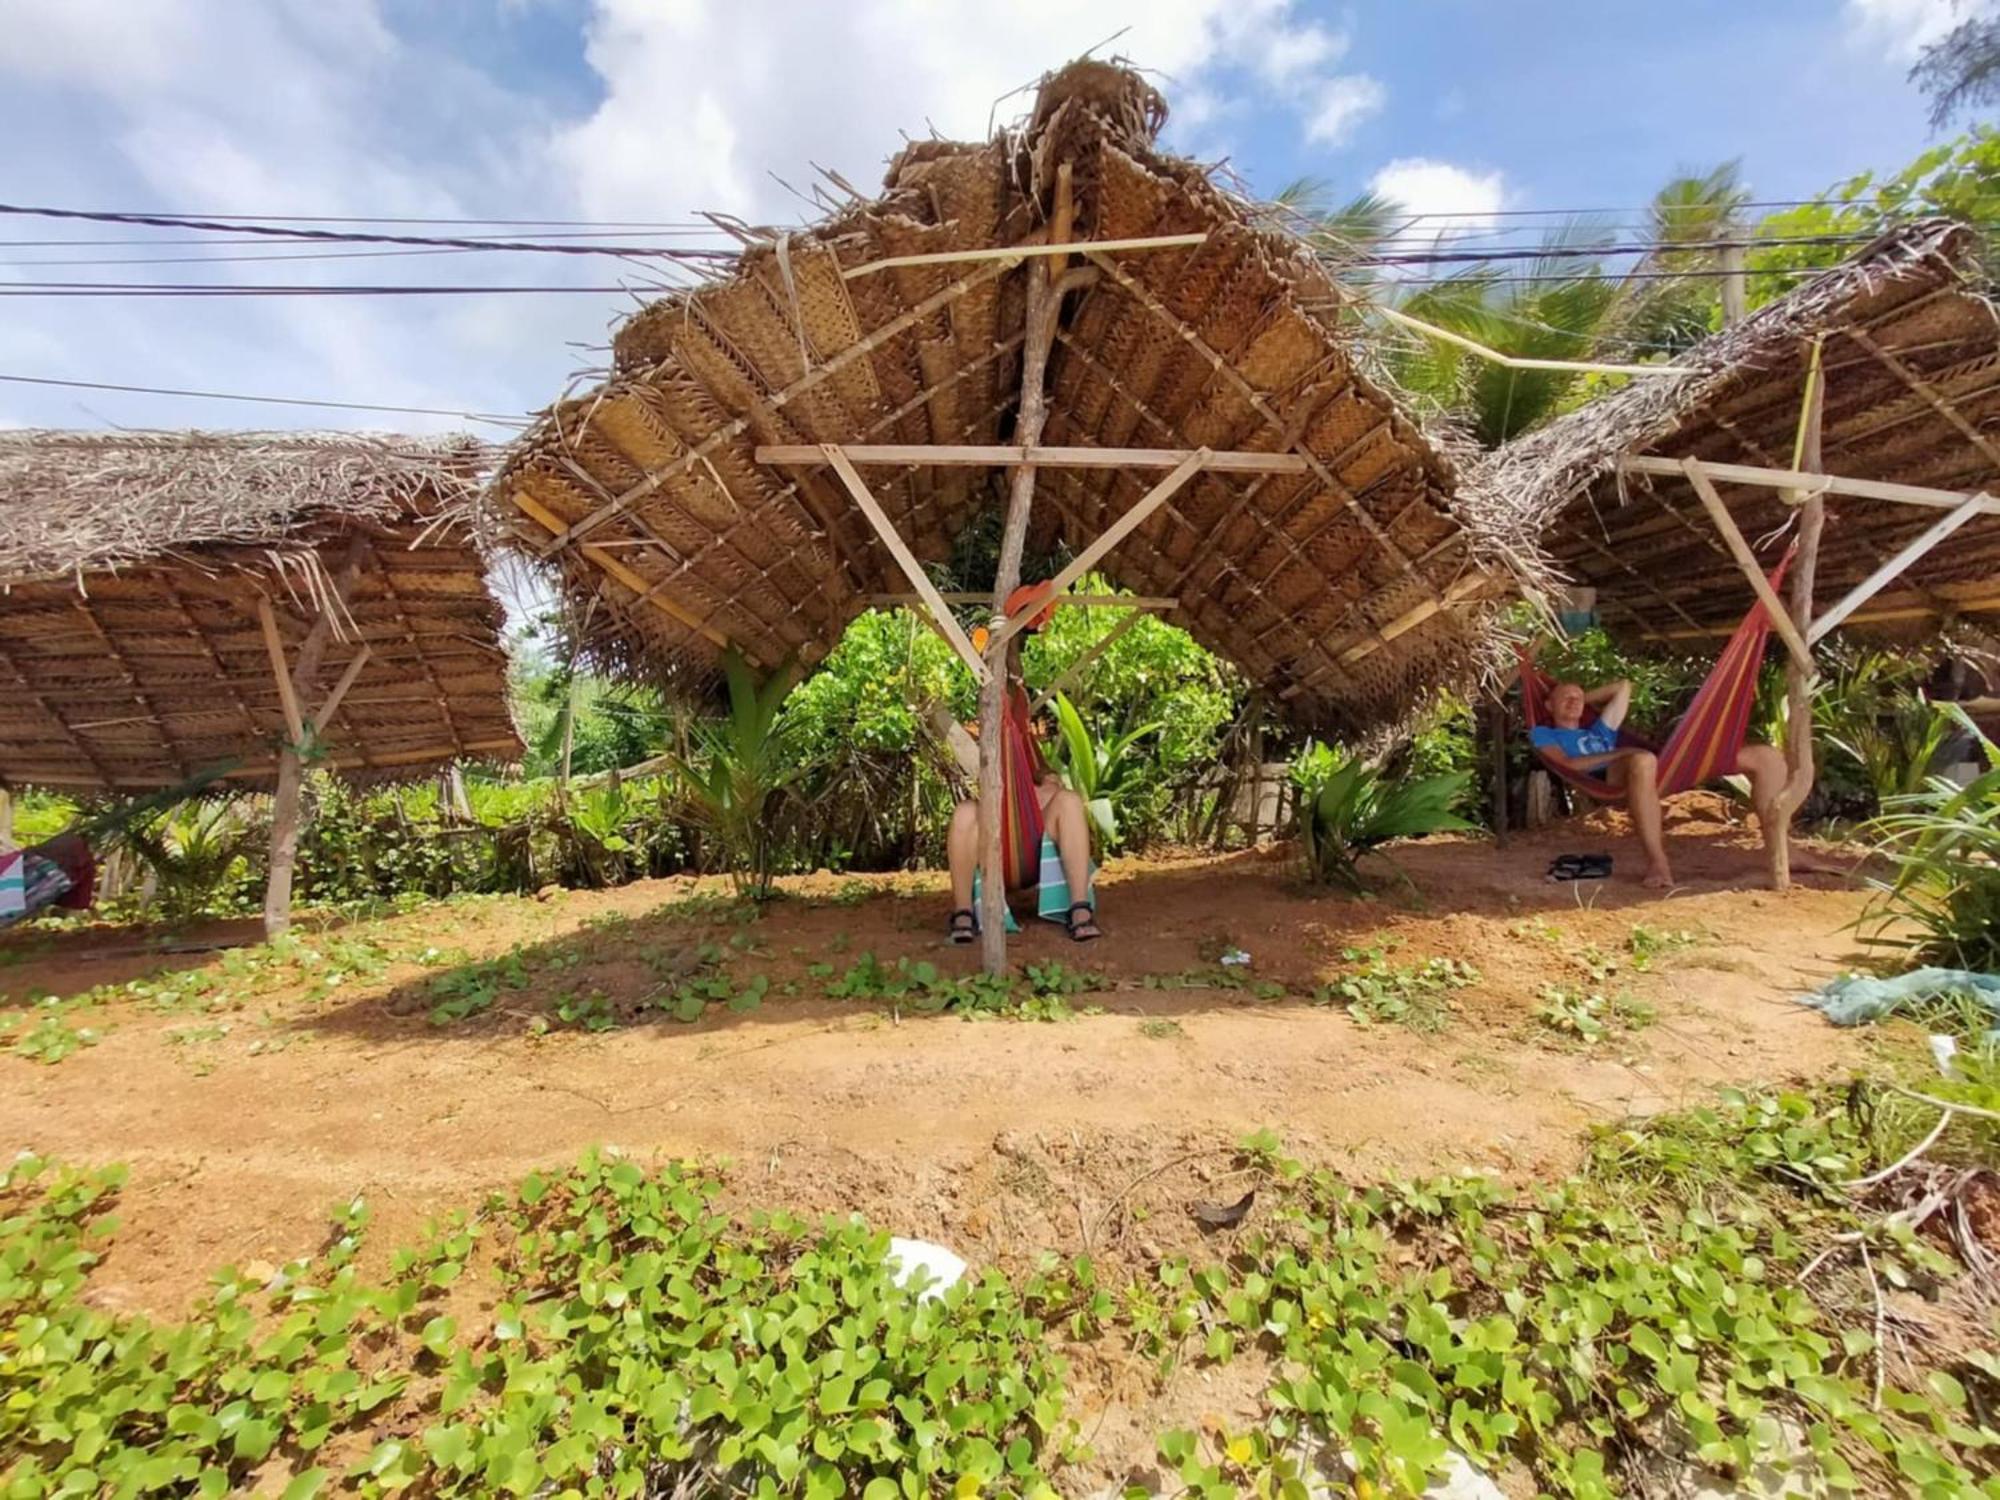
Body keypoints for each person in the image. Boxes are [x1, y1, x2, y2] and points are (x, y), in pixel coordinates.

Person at [944, 586, 1100, 944]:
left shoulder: (1020, 709)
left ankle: (1079, 905)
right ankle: (963, 910)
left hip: (1028, 835)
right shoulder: (987, 712)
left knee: (1071, 800)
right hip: (995, 833)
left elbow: (1034, 766)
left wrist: (1047, 783)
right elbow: (991, 779)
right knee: (965, 814)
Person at [1532, 677, 1791, 890]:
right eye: (1565, 698)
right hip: (1609, 778)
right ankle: (1658, 862)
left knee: (1765, 756)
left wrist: (1578, 699)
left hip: (1662, 771)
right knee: (1642, 759)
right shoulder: (1544, 732)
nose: (1573, 701)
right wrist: (1622, 753)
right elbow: (1568, 765)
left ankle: (1784, 847)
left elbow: (1623, 686)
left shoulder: (1599, 730)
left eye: (1577, 697)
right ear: (1548, 706)